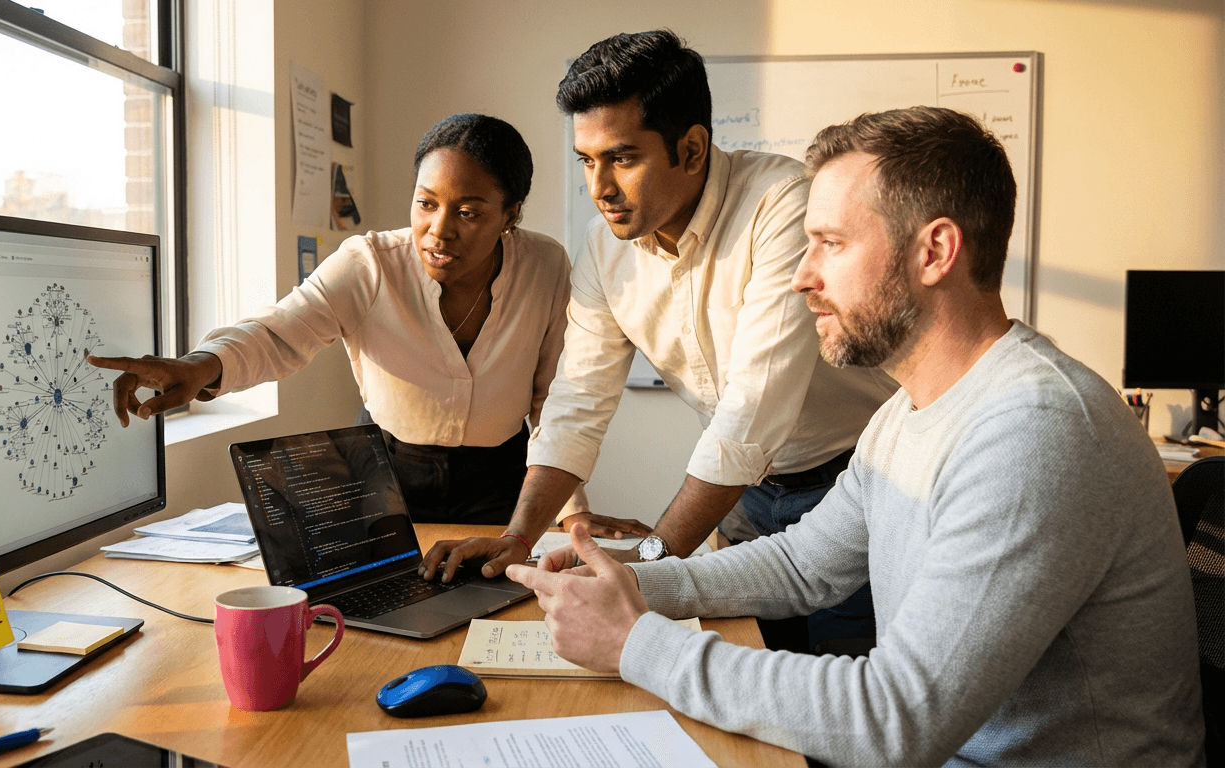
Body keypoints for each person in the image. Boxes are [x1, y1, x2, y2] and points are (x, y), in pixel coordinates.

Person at [508, 106, 1205, 765]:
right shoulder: (906, 413)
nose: (802, 277)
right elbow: (803, 566)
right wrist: (637, 582)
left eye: (830, 245)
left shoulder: (1036, 431)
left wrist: (635, 642)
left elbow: (895, 721)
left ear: (934, 252)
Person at [421, 31, 895, 654]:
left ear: (692, 148)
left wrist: (649, 565)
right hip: (747, 498)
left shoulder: (782, 205)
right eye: (587, 160)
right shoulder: (602, 246)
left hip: (855, 486)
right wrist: (518, 538)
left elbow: (752, 411)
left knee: (843, 695)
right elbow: (576, 403)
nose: (599, 187)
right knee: (758, 669)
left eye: (621, 158)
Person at [90, 113, 616, 526]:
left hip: (502, 477)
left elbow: (553, 398)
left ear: (512, 214)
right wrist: (201, 365)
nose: (439, 229)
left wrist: (573, 514)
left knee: (494, 612)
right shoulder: (369, 264)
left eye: (469, 212)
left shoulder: (545, 265)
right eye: (426, 203)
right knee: (387, 616)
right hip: (384, 472)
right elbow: (281, 331)